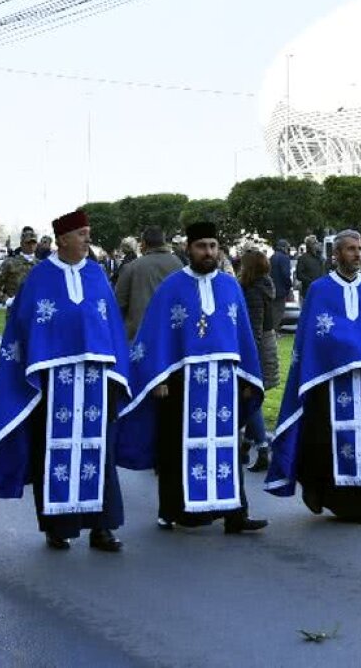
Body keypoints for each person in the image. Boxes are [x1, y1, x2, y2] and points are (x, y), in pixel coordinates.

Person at [0, 210, 127, 552]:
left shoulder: (98, 275)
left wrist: (117, 377)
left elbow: (112, 327)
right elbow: (23, 329)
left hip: (96, 382)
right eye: (82, 234)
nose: (88, 239)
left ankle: (103, 528)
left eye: (89, 233)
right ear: (63, 239)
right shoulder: (39, 278)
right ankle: (57, 527)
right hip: (53, 386)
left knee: (100, 454)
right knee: (50, 453)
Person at [118, 221, 268, 535]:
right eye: (202, 246)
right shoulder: (172, 286)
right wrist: (157, 378)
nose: (208, 252)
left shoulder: (230, 286)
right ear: (189, 249)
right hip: (182, 382)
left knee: (227, 446)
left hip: (225, 382)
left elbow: (241, 337)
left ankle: (235, 513)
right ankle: (173, 510)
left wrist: (245, 380)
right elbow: (156, 334)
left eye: (213, 246)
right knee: (176, 447)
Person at [265, 229, 361, 524]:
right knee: (326, 439)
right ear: (335, 254)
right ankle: (328, 496)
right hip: (330, 380)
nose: (357, 254)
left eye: (360, 248)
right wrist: (346, 348)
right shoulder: (320, 290)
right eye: (350, 249)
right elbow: (312, 337)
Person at [238, 248, 278, 472]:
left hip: (258, 349)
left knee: (250, 396)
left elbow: (253, 329)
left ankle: (262, 448)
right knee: (253, 398)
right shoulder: (265, 286)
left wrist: (247, 358)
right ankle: (245, 446)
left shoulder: (253, 291)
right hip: (267, 344)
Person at [114, 227, 181, 340]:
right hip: (171, 335)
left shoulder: (131, 268)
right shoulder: (178, 265)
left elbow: (118, 304)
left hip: (139, 336)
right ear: (163, 242)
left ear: (144, 243)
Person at [0, 230, 39, 317]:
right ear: (22, 243)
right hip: (15, 310)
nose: (31, 246)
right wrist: (6, 299)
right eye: (28, 243)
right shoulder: (10, 263)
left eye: (33, 243)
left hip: (35, 311)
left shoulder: (41, 265)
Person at [269, 239, 293, 332]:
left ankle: (272, 330)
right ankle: (274, 331)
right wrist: (289, 287)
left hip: (271, 288)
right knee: (279, 311)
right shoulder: (284, 258)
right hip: (281, 289)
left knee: (272, 311)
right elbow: (286, 275)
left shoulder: (272, 257)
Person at [294, 235, 325, 302]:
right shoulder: (303, 258)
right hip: (308, 291)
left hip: (320, 291)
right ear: (309, 245)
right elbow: (299, 275)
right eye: (314, 243)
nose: (316, 245)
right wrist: (311, 281)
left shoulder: (320, 258)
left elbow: (324, 272)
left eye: (316, 243)